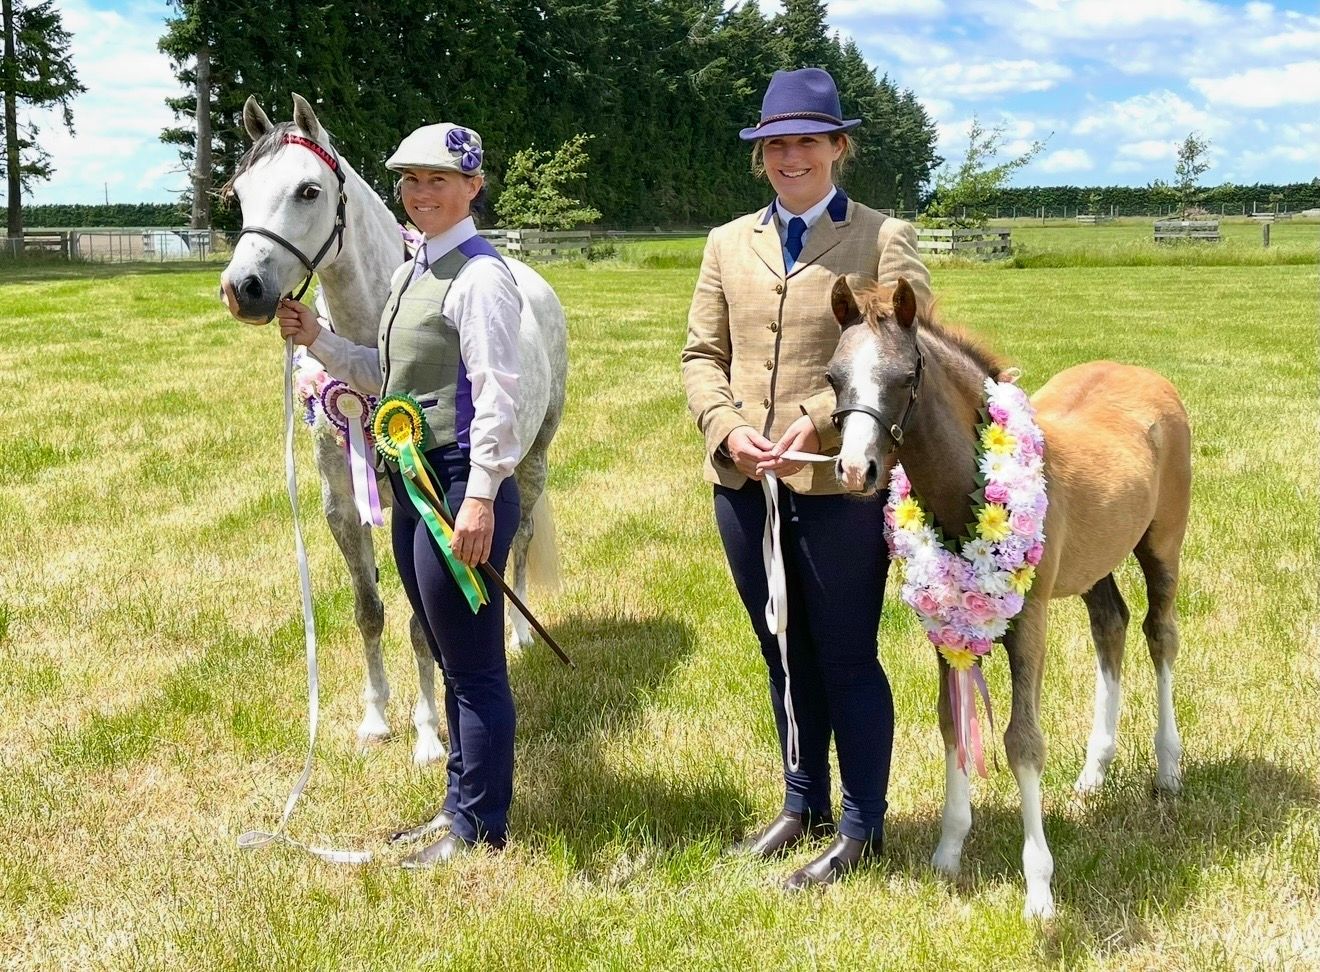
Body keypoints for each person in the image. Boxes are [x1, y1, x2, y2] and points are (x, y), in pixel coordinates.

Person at [681, 67, 933, 889]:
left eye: (807, 142)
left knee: (846, 653)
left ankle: (863, 825)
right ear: (761, 155)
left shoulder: (883, 239)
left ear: (838, 148)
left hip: (837, 484)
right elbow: (701, 355)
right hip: (742, 484)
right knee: (780, 649)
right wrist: (727, 428)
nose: (791, 158)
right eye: (775, 145)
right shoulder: (726, 243)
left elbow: (901, 354)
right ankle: (803, 803)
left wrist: (816, 420)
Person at [276, 122, 522, 866]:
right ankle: (457, 808)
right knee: (448, 654)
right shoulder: (415, 271)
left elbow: (499, 397)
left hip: (458, 485)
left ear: (473, 186)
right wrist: (319, 339)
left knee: (475, 667)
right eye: (411, 180)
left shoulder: (479, 277)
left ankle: (479, 828)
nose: (420, 193)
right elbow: (387, 377)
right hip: (415, 480)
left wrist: (480, 498)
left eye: (438, 179)